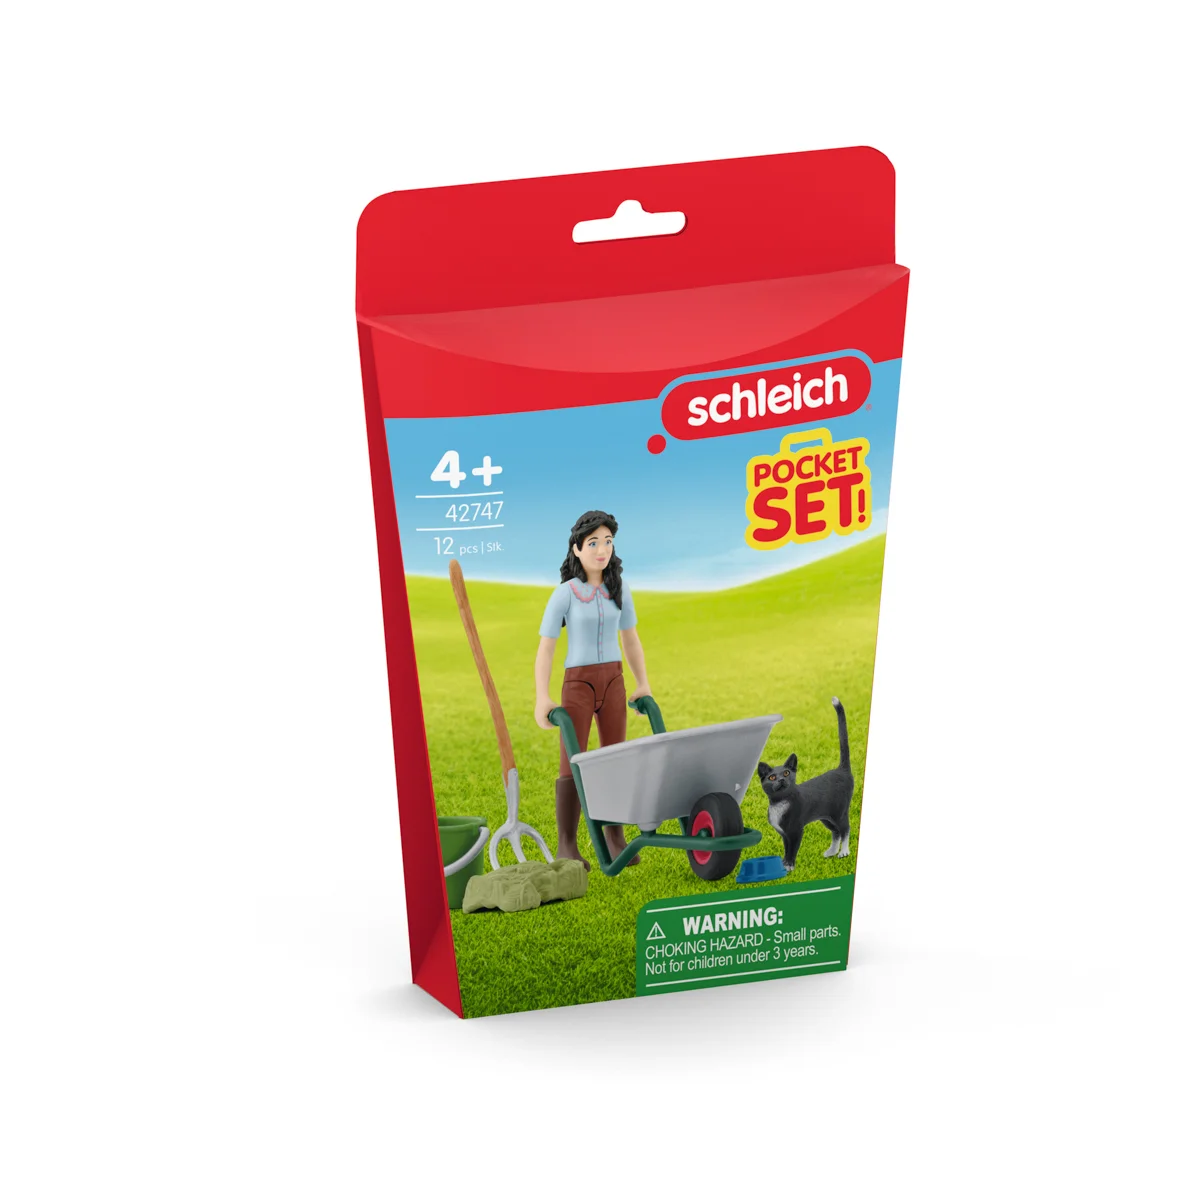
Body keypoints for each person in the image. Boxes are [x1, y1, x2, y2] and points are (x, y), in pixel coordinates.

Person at [534, 510, 651, 869]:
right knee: (572, 761)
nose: (602, 550)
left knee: (615, 757)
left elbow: (630, 639)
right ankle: (567, 844)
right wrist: (542, 696)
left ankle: (615, 836)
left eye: (608, 542)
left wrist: (642, 683)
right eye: (594, 543)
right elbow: (546, 647)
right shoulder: (565, 594)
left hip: (613, 681)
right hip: (578, 684)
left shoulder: (620, 589)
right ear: (577, 548)